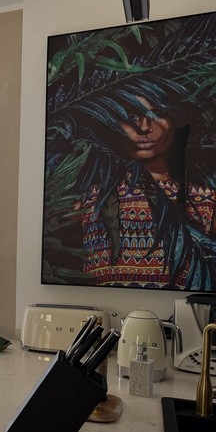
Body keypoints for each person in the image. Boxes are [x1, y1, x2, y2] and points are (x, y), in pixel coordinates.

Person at [66, 81, 216, 289]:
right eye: (131, 117)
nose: (144, 127)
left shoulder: (206, 201)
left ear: (175, 121)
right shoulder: (87, 200)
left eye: (156, 115)